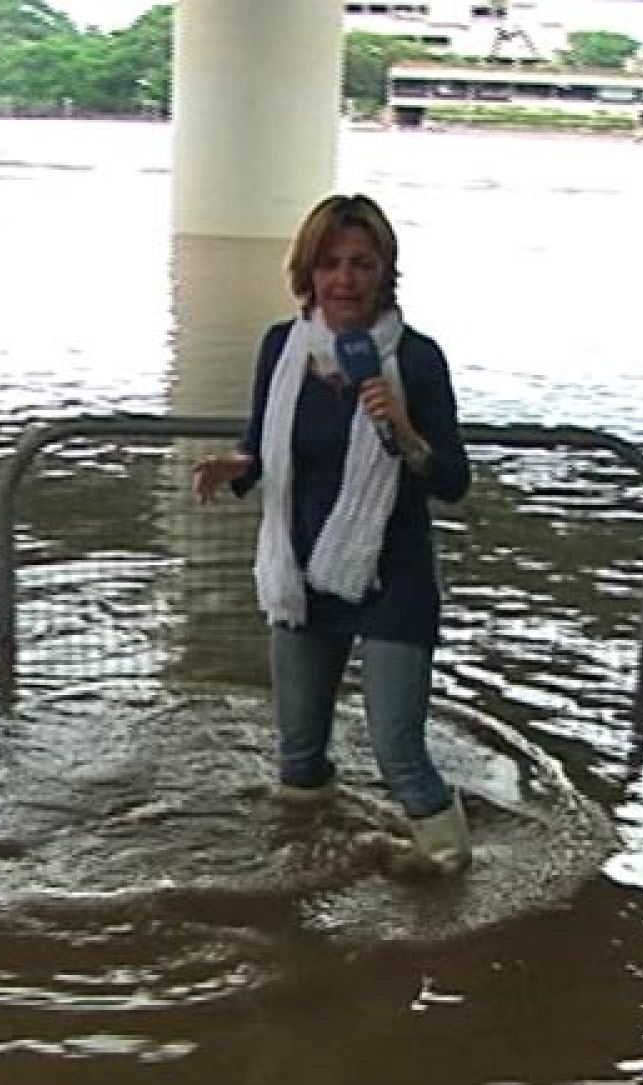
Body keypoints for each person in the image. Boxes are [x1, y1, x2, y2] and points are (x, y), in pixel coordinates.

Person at [192, 193, 473, 874]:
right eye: (330, 264)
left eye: (361, 264)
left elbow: (453, 481)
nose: (344, 280)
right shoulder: (281, 348)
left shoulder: (418, 359)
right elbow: (264, 446)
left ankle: (454, 876)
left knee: (399, 753)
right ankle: (306, 876)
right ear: (307, 274)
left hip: (392, 579)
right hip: (301, 573)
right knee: (297, 759)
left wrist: (406, 432)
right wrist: (238, 465)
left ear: (385, 273)